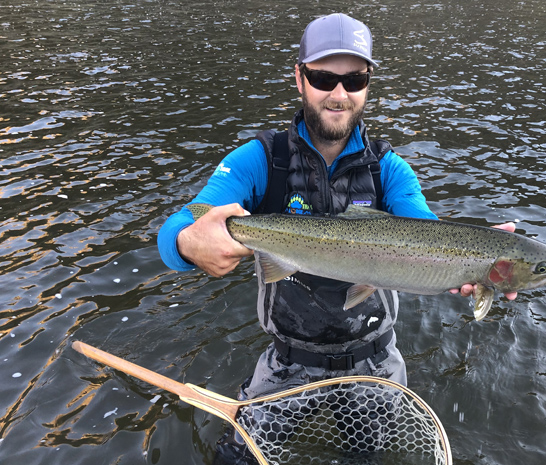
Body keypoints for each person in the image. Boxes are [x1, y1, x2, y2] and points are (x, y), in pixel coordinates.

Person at [157, 13, 515, 464]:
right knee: (234, 459)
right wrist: (190, 244)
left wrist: (474, 259)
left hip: (375, 360)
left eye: (355, 78)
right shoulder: (259, 161)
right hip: (287, 359)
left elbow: (426, 231)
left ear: (368, 84)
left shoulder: (390, 170)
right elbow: (177, 230)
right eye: (324, 77)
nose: (339, 94)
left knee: (368, 456)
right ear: (300, 79)